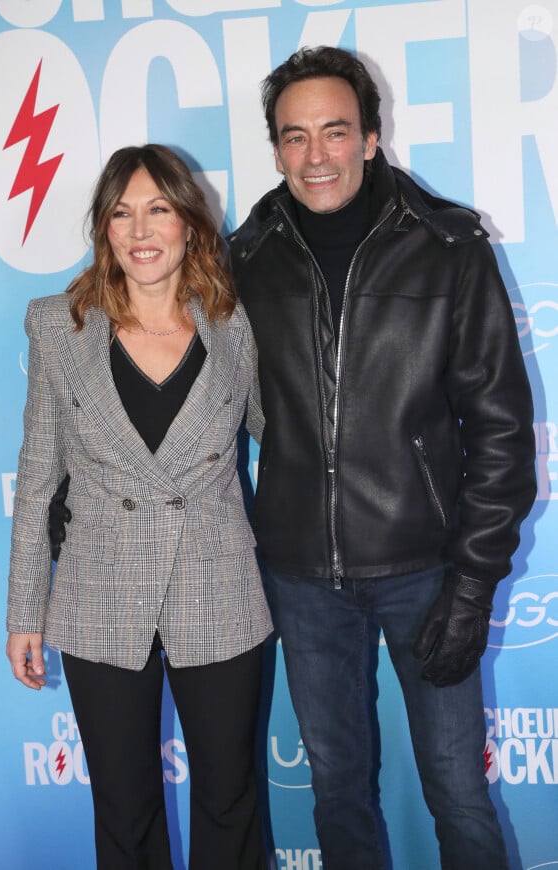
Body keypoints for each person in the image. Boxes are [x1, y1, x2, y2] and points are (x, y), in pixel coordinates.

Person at [228, 46, 536, 869]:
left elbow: (503, 433)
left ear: (371, 137)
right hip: (300, 578)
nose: (316, 155)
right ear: (277, 148)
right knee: (337, 790)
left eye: (335, 132)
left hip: (425, 573)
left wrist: (471, 588)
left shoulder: (449, 247)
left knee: (457, 791)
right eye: (295, 137)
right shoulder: (244, 258)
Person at [6, 144, 273, 870]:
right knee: (123, 810)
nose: (140, 229)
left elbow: (282, 441)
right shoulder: (59, 325)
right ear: (105, 230)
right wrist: (25, 613)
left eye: (159, 208)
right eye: (122, 213)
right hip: (100, 591)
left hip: (217, 586)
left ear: (191, 223)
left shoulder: (236, 322)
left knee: (230, 799)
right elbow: (37, 477)